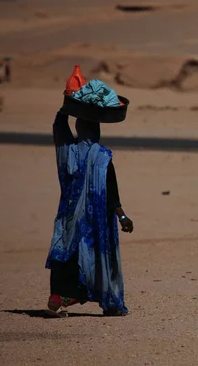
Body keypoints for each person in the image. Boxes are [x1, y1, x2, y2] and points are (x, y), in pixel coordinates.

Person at [45, 109, 134, 317]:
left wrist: (63, 111)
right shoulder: (102, 157)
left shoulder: (67, 150)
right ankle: (101, 299)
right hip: (94, 221)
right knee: (95, 257)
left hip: (67, 218)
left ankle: (59, 295)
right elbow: (111, 193)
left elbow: (59, 131)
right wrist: (122, 216)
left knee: (65, 251)